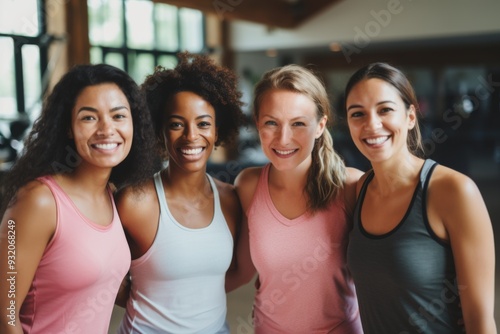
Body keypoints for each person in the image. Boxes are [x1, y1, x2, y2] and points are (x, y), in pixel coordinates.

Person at [0, 63, 159, 334]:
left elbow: (104, 280)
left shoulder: (111, 194)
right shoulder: (38, 201)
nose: (106, 129)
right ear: (68, 128)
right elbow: (5, 313)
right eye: (89, 118)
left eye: (119, 116)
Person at [344, 62, 496, 333]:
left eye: (385, 109)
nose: (372, 124)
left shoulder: (454, 191)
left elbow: (480, 321)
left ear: (411, 116)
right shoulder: (359, 188)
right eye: (358, 114)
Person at [226, 64, 363, 333]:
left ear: (320, 126)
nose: (283, 138)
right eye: (271, 123)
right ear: (257, 124)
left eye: (298, 123)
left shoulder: (351, 186)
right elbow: (242, 270)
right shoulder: (248, 184)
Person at [116, 52, 244, 334]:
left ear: (217, 130)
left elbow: (233, 273)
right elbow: (107, 282)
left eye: (203, 123)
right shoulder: (134, 202)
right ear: (160, 131)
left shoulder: (231, 200)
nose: (191, 136)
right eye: (176, 124)